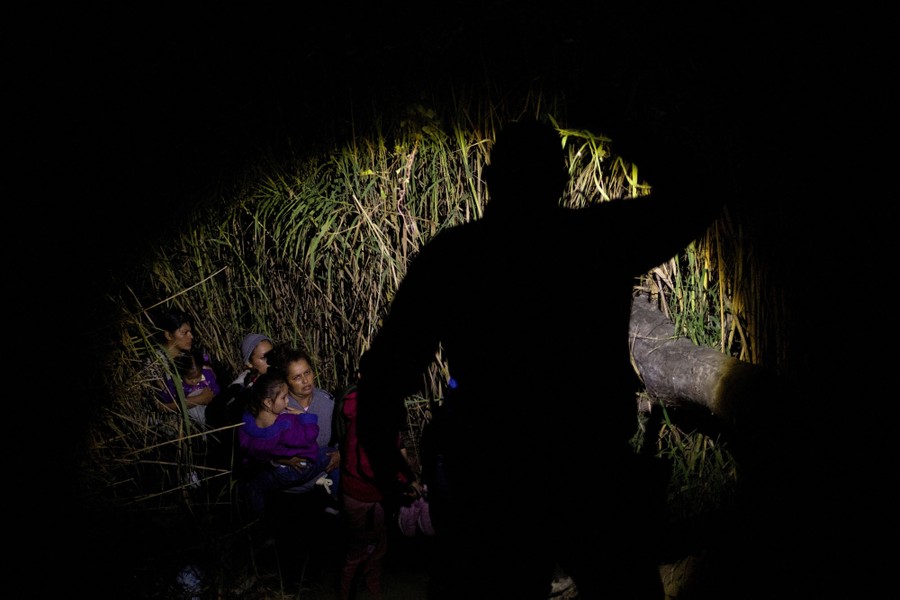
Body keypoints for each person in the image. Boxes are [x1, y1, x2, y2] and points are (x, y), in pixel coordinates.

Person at [355, 118, 726, 599]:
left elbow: (386, 372)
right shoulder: (598, 238)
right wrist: (630, 129)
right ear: (561, 181)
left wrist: (389, 471)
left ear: (490, 181)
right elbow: (699, 196)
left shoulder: (453, 258)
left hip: (491, 473)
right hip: (588, 466)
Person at [334, 377, 422, 600]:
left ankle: (371, 587)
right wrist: (403, 484)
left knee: (378, 543)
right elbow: (372, 468)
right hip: (363, 497)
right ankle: (348, 592)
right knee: (360, 548)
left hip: (371, 496)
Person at [236, 370, 339, 523]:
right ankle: (336, 501)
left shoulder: (248, 427)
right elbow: (309, 437)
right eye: (284, 398)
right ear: (268, 402)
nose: (287, 402)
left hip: (277, 470)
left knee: (254, 486)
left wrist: (278, 460)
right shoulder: (287, 424)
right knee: (333, 454)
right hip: (300, 467)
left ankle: (258, 521)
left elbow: (252, 452)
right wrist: (305, 417)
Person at [268, 346, 342, 496]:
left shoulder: (327, 402)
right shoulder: (278, 408)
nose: (305, 381)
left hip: (324, 476)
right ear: (286, 381)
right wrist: (280, 459)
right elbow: (261, 446)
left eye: (307, 372)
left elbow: (340, 436)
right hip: (290, 486)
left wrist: (341, 454)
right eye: (297, 377)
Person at [206, 332, 273, 429]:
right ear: (249, 363)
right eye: (263, 358)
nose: (271, 360)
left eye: (272, 354)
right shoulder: (241, 387)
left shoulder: (285, 373)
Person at [161, 347, 221, 427]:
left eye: (198, 377)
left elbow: (215, 388)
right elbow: (167, 400)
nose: (194, 381)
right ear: (182, 375)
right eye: (190, 379)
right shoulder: (178, 385)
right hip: (191, 420)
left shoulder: (207, 376)